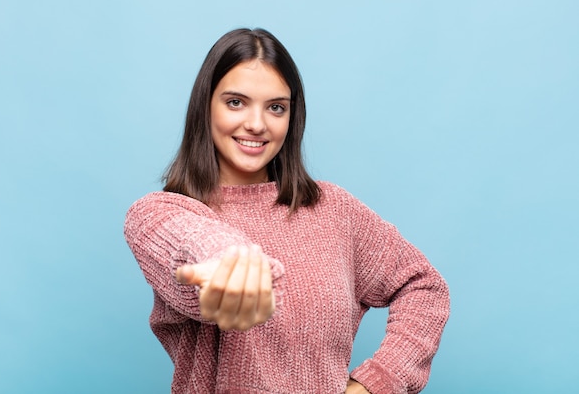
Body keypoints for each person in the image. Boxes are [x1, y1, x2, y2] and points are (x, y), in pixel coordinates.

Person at [124, 28, 450, 394]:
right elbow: (191, 240)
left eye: (276, 107)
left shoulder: (333, 210)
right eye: (235, 102)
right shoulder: (159, 214)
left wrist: (375, 384)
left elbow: (424, 286)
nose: (257, 124)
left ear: (292, 117)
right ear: (205, 106)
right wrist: (229, 265)